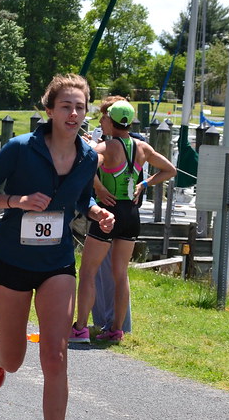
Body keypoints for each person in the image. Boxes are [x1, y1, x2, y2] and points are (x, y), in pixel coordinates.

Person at [0, 73, 115, 420]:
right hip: (10, 261)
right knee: (15, 361)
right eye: (65, 106)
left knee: (56, 353)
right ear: (49, 110)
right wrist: (17, 201)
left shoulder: (89, 157)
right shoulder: (20, 149)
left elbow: (78, 197)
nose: (73, 113)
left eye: (80, 107)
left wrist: (95, 213)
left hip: (56, 263)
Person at [74, 97, 176, 343]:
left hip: (108, 211)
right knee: (121, 274)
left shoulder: (106, 148)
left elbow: (83, 166)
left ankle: (79, 329)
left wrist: (97, 187)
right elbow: (170, 170)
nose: (101, 121)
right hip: (131, 214)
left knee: (88, 271)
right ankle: (116, 330)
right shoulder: (142, 147)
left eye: (104, 118)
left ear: (110, 120)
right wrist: (144, 183)